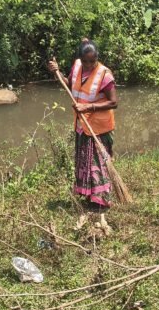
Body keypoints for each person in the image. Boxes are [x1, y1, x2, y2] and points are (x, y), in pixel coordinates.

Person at [47, 39, 119, 229]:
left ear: (97, 58)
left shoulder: (105, 74)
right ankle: (88, 195)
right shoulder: (78, 67)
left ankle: (101, 200)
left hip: (100, 127)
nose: (89, 64)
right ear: (80, 59)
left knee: (98, 164)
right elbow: (69, 84)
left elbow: (113, 102)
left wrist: (88, 106)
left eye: (93, 60)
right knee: (84, 162)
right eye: (86, 61)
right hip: (82, 125)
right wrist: (57, 73)